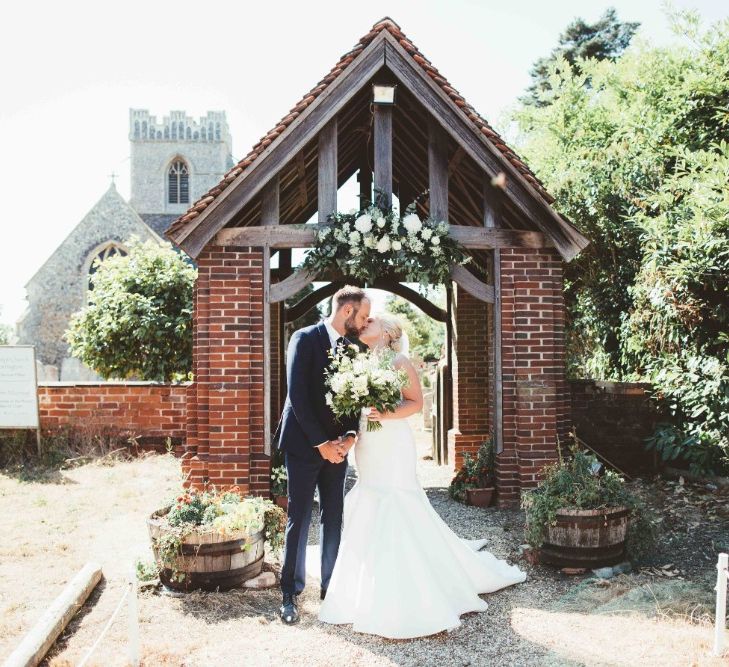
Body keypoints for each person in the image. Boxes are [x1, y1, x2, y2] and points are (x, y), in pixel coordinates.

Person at [317, 314, 528, 639]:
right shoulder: (360, 362)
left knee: (397, 500)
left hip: (393, 442)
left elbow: (414, 403)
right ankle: (369, 586)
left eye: (371, 320)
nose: (364, 322)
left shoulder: (399, 361)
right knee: (369, 495)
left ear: (387, 331)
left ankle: (414, 590)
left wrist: (383, 413)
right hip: (369, 443)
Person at [276, 285, 371, 625]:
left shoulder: (353, 350)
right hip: (304, 447)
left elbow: (354, 402)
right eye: (362, 316)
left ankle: (330, 588)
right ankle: (290, 592)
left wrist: (347, 439)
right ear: (347, 311)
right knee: (298, 518)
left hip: (338, 450)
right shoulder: (304, 338)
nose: (364, 323)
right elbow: (298, 395)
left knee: (334, 517)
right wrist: (321, 444)